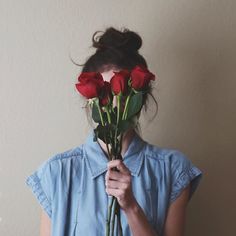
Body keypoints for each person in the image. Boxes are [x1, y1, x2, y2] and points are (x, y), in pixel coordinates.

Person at [25, 27, 203, 236]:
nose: (111, 104)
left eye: (120, 93)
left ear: (139, 98)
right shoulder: (57, 173)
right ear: (89, 101)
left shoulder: (172, 170)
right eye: (103, 93)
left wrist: (131, 207)